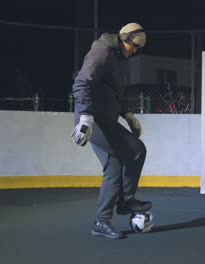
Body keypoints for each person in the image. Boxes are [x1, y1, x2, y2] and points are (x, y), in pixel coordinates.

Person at [70, 22, 152, 239]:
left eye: (137, 48)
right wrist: (85, 117)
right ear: (124, 39)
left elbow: (114, 92)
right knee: (136, 150)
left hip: (105, 118)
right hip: (92, 120)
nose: (134, 51)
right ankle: (126, 202)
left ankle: (101, 222)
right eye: (133, 46)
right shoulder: (102, 50)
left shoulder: (120, 58)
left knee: (114, 167)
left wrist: (128, 115)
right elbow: (81, 83)